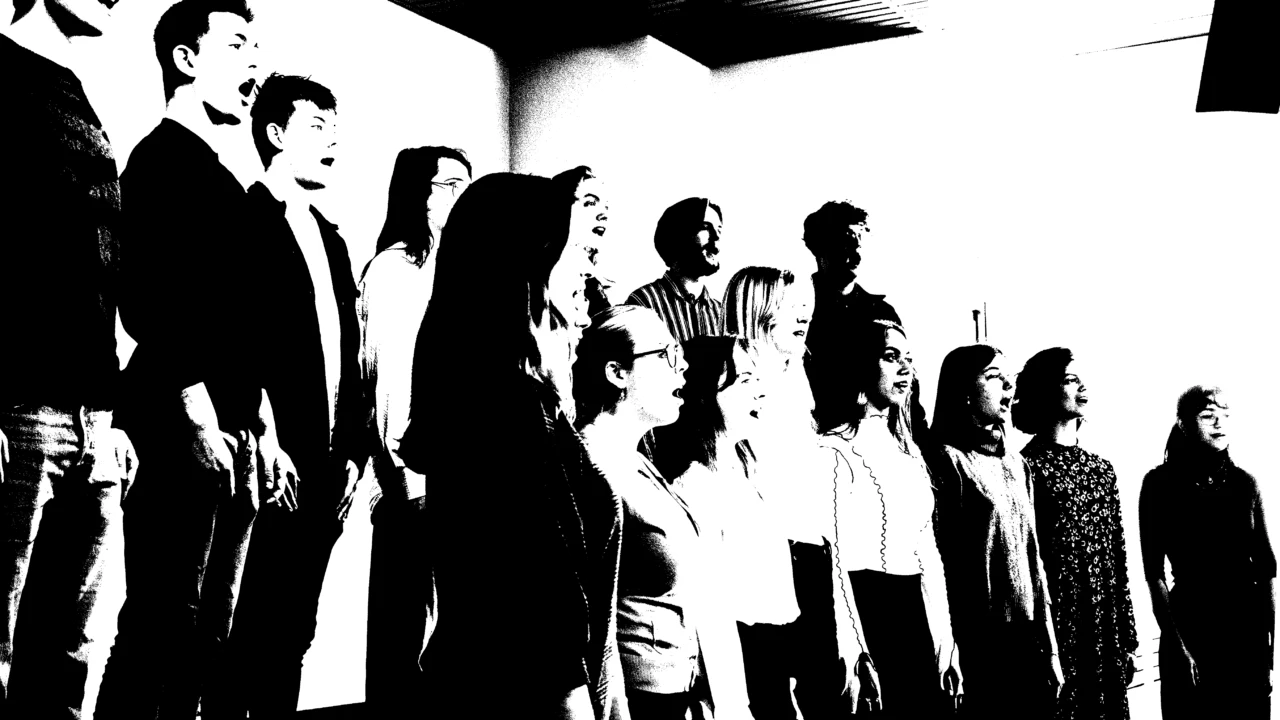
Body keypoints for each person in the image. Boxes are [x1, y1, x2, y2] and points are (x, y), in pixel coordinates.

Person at [96, 3, 296, 718]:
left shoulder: (222, 179)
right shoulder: (157, 162)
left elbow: (243, 324)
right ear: (186, 59)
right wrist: (199, 414)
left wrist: (260, 427)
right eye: (237, 44)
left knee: (208, 632)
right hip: (180, 424)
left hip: (230, 431)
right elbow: (147, 303)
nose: (255, 62)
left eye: (256, 47)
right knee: (163, 623)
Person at [397, 173, 612, 719]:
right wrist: (571, 679)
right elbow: (531, 560)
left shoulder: (505, 383)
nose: (577, 275)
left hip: (524, 665)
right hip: (527, 672)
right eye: (556, 255)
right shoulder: (497, 397)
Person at [200, 73, 371, 719]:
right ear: (275, 134)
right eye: (316, 128)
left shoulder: (331, 237)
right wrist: (261, 434)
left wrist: (351, 454)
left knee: (294, 632)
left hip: (326, 471)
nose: (332, 143)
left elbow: (348, 359)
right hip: (270, 465)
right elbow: (231, 344)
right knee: (243, 632)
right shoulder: (244, 220)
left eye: (336, 130)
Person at [1, 0, 137, 716]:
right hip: (20, 413)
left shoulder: (74, 92)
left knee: (65, 663)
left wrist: (107, 416)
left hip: (90, 422)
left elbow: (96, 271)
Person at [722, 267, 871, 720]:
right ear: (757, 310)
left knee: (828, 693)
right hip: (769, 559)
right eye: (790, 306)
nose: (804, 315)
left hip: (812, 550)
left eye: (806, 306)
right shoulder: (741, 390)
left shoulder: (798, 378)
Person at [358, 145, 471, 715]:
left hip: (458, 485)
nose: (461, 196)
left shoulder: (462, 272)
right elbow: (389, 386)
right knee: (404, 643)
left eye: (466, 185)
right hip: (414, 488)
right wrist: (409, 481)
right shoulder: (395, 271)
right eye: (448, 185)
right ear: (417, 196)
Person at [825, 320, 960, 719]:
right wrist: (855, 652)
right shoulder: (832, 450)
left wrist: (946, 645)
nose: (905, 368)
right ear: (862, 365)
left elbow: (928, 556)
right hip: (866, 611)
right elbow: (834, 564)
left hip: (914, 615)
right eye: (890, 357)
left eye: (909, 359)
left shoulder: (911, 455)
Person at [571, 305, 691, 719]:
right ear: (617, 373)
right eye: (666, 354)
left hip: (669, 690)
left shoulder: (635, 460)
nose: (682, 366)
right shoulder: (592, 467)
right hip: (634, 701)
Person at [929, 344, 1062, 720]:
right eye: (993, 377)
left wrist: (1051, 650)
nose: (1007, 388)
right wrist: (949, 650)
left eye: (1009, 379)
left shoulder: (1018, 465)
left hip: (1028, 639)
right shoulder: (947, 461)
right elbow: (939, 565)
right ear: (964, 392)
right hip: (980, 644)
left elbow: (1035, 563)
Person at [1013, 348, 1137, 720]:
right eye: (1070, 379)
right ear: (1045, 391)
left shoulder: (1103, 470)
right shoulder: (1025, 468)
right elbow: (1028, 564)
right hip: (1060, 625)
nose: (1082, 387)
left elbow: (1117, 557)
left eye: (1082, 380)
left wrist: (1128, 637)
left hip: (1104, 626)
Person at [1139, 386, 1274, 720]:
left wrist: (1270, 655)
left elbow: (1267, 570)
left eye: (1225, 415)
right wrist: (1178, 647)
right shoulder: (1158, 484)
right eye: (1208, 415)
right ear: (1184, 424)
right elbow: (1154, 573)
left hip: (1246, 634)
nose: (1219, 423)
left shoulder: (1246, 483)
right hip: (1190, 627)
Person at [801, 201, 929, 448]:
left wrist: (925, 452)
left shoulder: (881, 312)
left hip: (878, 443)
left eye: (861, 241)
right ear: (820, 246)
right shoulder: (800, 308)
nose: (856, 251)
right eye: (846, 240)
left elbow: (908, 398)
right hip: (822, 444)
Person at [626, 197, 726, 343]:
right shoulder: (643, 303)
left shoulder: (721, 313)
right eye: (705, 227)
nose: (716, 237)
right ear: (679, 235)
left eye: (719, 230)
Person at [553, 165, 614, 317]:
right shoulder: (550, 276)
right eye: (591, 203)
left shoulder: (592, 282)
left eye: (606, 206)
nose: (604, 214)